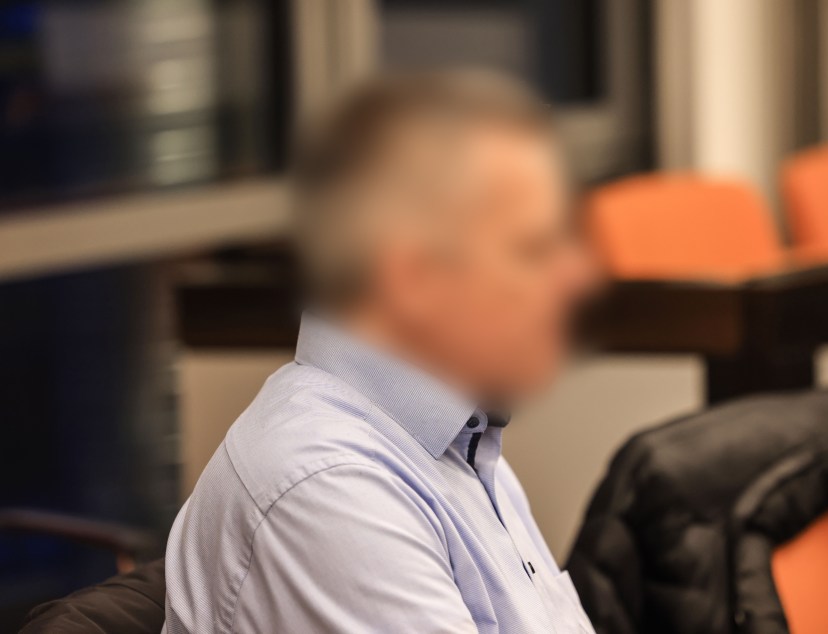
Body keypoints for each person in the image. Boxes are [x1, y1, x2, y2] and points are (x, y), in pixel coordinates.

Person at [163, 69, 596, 633]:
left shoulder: (462, 448)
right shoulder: (327, 489)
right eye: (533, 248)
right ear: (414, 277)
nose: (577, 276)